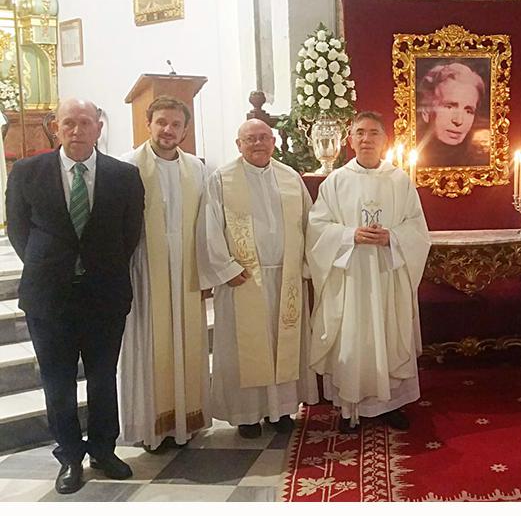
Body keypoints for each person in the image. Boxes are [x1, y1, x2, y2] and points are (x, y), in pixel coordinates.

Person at [5, 98, 144, 494]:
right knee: (58, 381)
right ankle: (69, 456)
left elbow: (128, 235)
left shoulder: (124, 175)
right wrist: (53, 266)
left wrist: (97, 266)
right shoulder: (28, 172)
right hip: (50, 297)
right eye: (69, 123)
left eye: (85, 122)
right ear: (55, 127)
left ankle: (103, 449)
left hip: (105, 294)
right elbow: (19, 231)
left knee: (102, 378)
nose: (77, 130)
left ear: (99, 127)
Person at [306, 111, 430, 433]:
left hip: (387, 274)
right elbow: (317, 228)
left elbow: (417, 228)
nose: (366, 139)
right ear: (350, 140)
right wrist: (349, 236)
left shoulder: (399, 180)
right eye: (359, 133)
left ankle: (391, 405)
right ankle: (352, 408)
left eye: (373, 133)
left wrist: (392, 237)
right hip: (350, 278)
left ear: (385, 140)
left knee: (389, 332)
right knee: (354, 336)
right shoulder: (336, 181)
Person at [196, 118, 318, 439]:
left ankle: (280, 411)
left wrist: (304, 267)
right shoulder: (222, 180)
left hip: (286, 279)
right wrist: (226, 268)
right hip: (242, 279)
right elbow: (208, 228)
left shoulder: (290, 178)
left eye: (264, 137)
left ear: (274, 141)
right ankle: (247, 414)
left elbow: (310, 225)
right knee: (244, 349)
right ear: (239, 144)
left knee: (282, 345)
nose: (258, 144)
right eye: (250, 139)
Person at [119, 96, 210, 452]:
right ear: (148, 123)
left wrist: (206, 270)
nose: (168, 130)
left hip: (186, 269)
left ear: (185, 129)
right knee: (149, 344)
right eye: (161, 123)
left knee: (186, 342)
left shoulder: (197, 169)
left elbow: (205, 223)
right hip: (146, 271)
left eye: (176, 124)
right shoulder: (128, 166)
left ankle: (184, 421)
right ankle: (149, 426)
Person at [416, 62, 490, 167]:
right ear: (426, 111)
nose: (458, 121)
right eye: (449, 107)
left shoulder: (479, 160)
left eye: (468, 111)